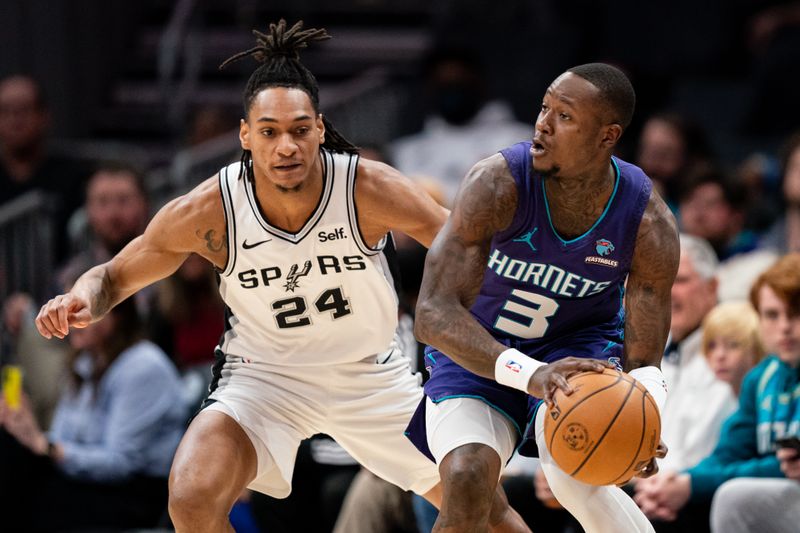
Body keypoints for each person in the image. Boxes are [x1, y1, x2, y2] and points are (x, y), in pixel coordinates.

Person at [33, 20, 521, 533]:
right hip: (264, 379)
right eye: (269, 132)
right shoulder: (210, 209)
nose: (286, 145)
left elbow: (464, 248)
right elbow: (112, 276)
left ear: (320, 128)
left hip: (369, 377)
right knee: (192, 495)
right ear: (246, 134)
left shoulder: (366, 187)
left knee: (485, 509)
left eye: (298, 130)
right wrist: (80, 296)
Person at [407, 63, 680, 532]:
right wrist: (531, 374)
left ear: (606, 136)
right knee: (466, 476)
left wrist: (644, 414)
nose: (543, 124)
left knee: (578, 475)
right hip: (480, 347)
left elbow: (645, 354)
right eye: (544, 107)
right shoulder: (496, 183)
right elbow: (431, 314)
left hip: (577, 352)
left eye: (565, 116)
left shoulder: (645, 220)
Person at [635, 253, 800, 533]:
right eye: (772, 315)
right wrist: (680, 481)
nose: (784, 327)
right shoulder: (761, 378)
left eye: (796, 314)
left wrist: (692, 484)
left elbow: (786, 469)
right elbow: (729, 453)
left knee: (732, 497)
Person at [0, 297, 185, 531]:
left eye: (76, 309)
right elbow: (60, 437)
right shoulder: (85, 360)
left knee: (23, 490)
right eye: (63, 308)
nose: (66, 317)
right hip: (92, 482)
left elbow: (120, 463)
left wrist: (46, 447)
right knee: (11, 447)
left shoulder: (143, 365)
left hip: (136, 494)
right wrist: (26, 431)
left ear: (116, 314)